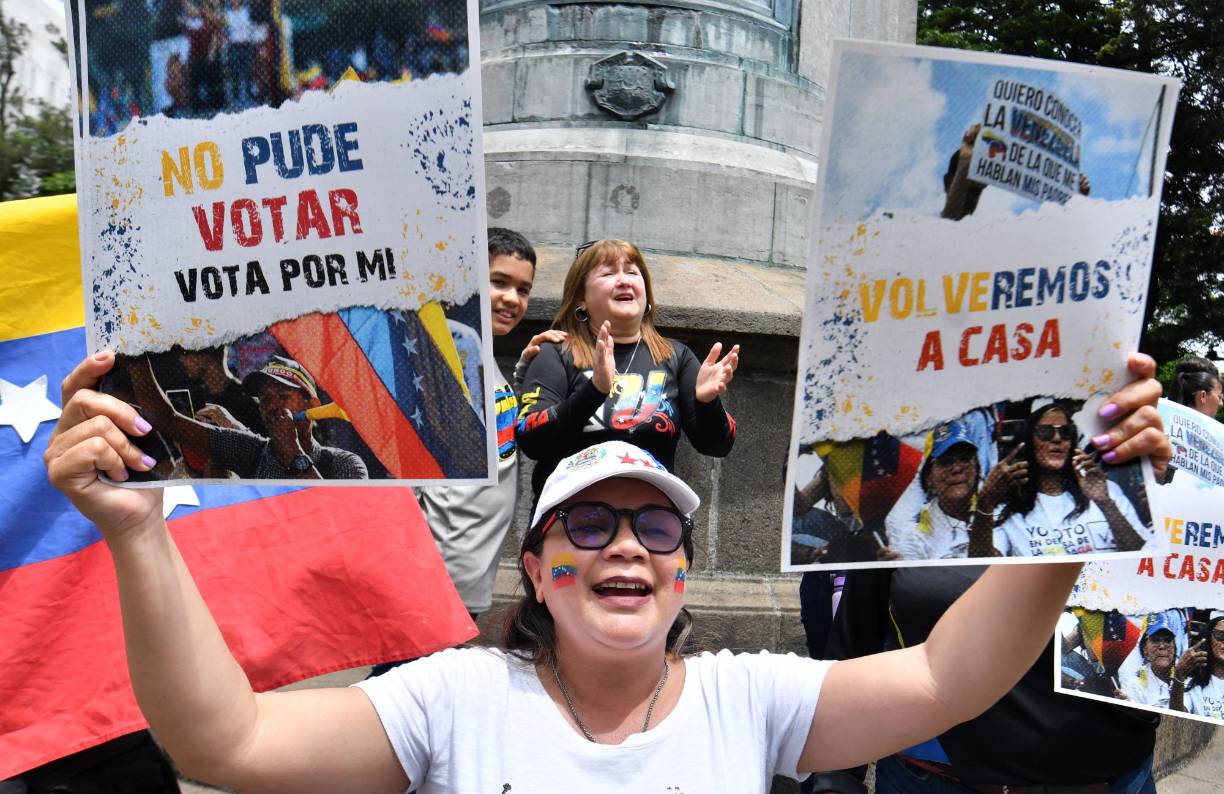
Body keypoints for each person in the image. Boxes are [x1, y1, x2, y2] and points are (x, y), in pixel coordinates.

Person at [43, 351, 1167, 791]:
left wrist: (1070, 510)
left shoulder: (748, 694)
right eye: (586, 525)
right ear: (536, 569)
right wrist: (139, 534)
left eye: (655, 526)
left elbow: (944, 678)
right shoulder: (450, 695)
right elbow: (223, 742)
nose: (625, 542)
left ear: (682, 577)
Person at [414, 228, 564, 618]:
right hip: (437, 565)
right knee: (403, 678)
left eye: (523, 289)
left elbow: (489, 426)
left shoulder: (479, 350)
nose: (513, 299)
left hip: (467, 567)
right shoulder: (450, 343)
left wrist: (523, 374)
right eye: (499, 282)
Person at [516, 238, 738, 500]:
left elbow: (716, 445)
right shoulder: (556, 352)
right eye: (608, 273)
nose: (624, 280)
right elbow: (531, 439)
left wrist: (707, 402)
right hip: (571, 522)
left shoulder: (676, 356)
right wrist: (594, 391)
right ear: (581, 299)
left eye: (632, 272)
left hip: (652, 524)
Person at [126, 353, 368, 479]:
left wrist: (293, 453)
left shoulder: (345, 463)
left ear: (312, 404)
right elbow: (165, 419)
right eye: (265, 400)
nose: (272, 406)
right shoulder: (250, 451)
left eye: (283, 397)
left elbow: (340, 515)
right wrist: (135, 357)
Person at [970, 401, 1148, 556]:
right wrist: (985, 503)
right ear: (1029, 442)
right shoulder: (1006, 508)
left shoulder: (1107, 491)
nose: (1056, 438)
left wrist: (1105, 503)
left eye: (1065, 432)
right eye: (1046, 432)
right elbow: (983, 565)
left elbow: (1141, 554)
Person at [887, 421, 982, 560]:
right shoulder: (915, 539)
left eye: (965, 459)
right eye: (945, 462)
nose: (956, 469)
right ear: (929, 477)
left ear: (977, 468)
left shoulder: (1000, 514)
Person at [1119, 612, 1194, 708]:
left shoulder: (1187, 680)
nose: (1162, 646)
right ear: (1144, 649)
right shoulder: (1135, 686)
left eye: (1167, 640)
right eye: (1155, 640)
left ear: (1175, 648)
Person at [1173, 610, 1224, 719]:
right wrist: (1179, 674)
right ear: (1208, 638)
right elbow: (1177, 717)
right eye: (1220, 636)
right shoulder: (1192, 682)